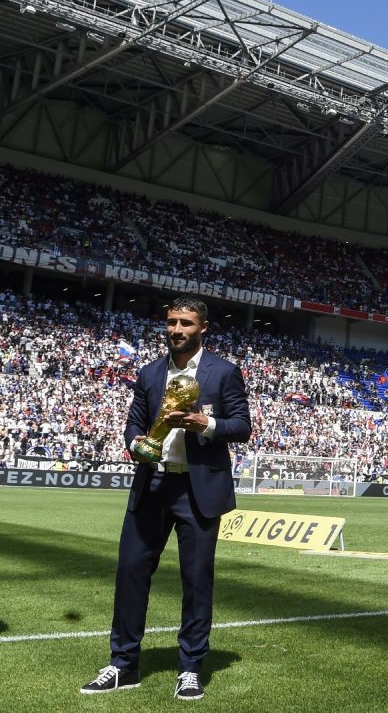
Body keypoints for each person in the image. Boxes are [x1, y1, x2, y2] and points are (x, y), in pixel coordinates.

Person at [81, 297, 252, 700]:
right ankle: (123, 664)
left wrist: (204, 423)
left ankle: (190, 667)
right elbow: (134, 423)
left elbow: (241, 426)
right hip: (153, 485)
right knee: (130, 572)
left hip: (198, 491)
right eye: (172, 322)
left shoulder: (224, 373)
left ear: (203, 328)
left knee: (195, 581)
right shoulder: (149, 373)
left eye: (186, 323)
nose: (176, 329)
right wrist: (135, 442)